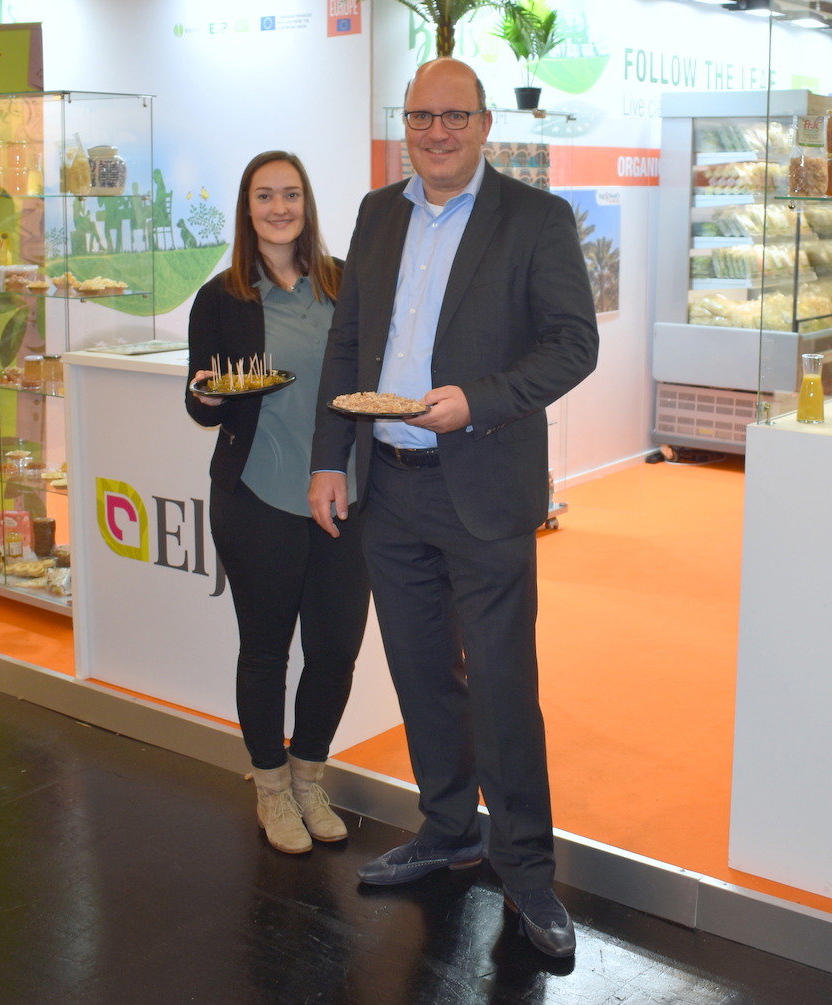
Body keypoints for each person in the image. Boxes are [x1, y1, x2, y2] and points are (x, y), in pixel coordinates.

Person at [308, 58, 599, 958]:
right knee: (422, 672)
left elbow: (573, 345)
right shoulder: (377, 213)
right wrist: (328, 459)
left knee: (503, 686)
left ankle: (526, 871)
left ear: (484, 125)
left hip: (483, 484)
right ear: (405, 124)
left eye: (455, 117)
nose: (437, 133)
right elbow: (349, 342)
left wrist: (479, 400)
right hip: (389, 485)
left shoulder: (536, 218)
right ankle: (447, 829)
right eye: (422, 117)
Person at [186, 151, 370, 856]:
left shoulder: (345, 282)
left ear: (307, 203)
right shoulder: (222, 297)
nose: (279, 207)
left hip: (346, 498)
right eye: (264, 196)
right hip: (257, 495)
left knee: (335, 652)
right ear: (247, 208)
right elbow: (202, 399)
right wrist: (205, 396)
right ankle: (270, 787)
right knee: (265, 651)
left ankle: (308, 778)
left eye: (290, 194)